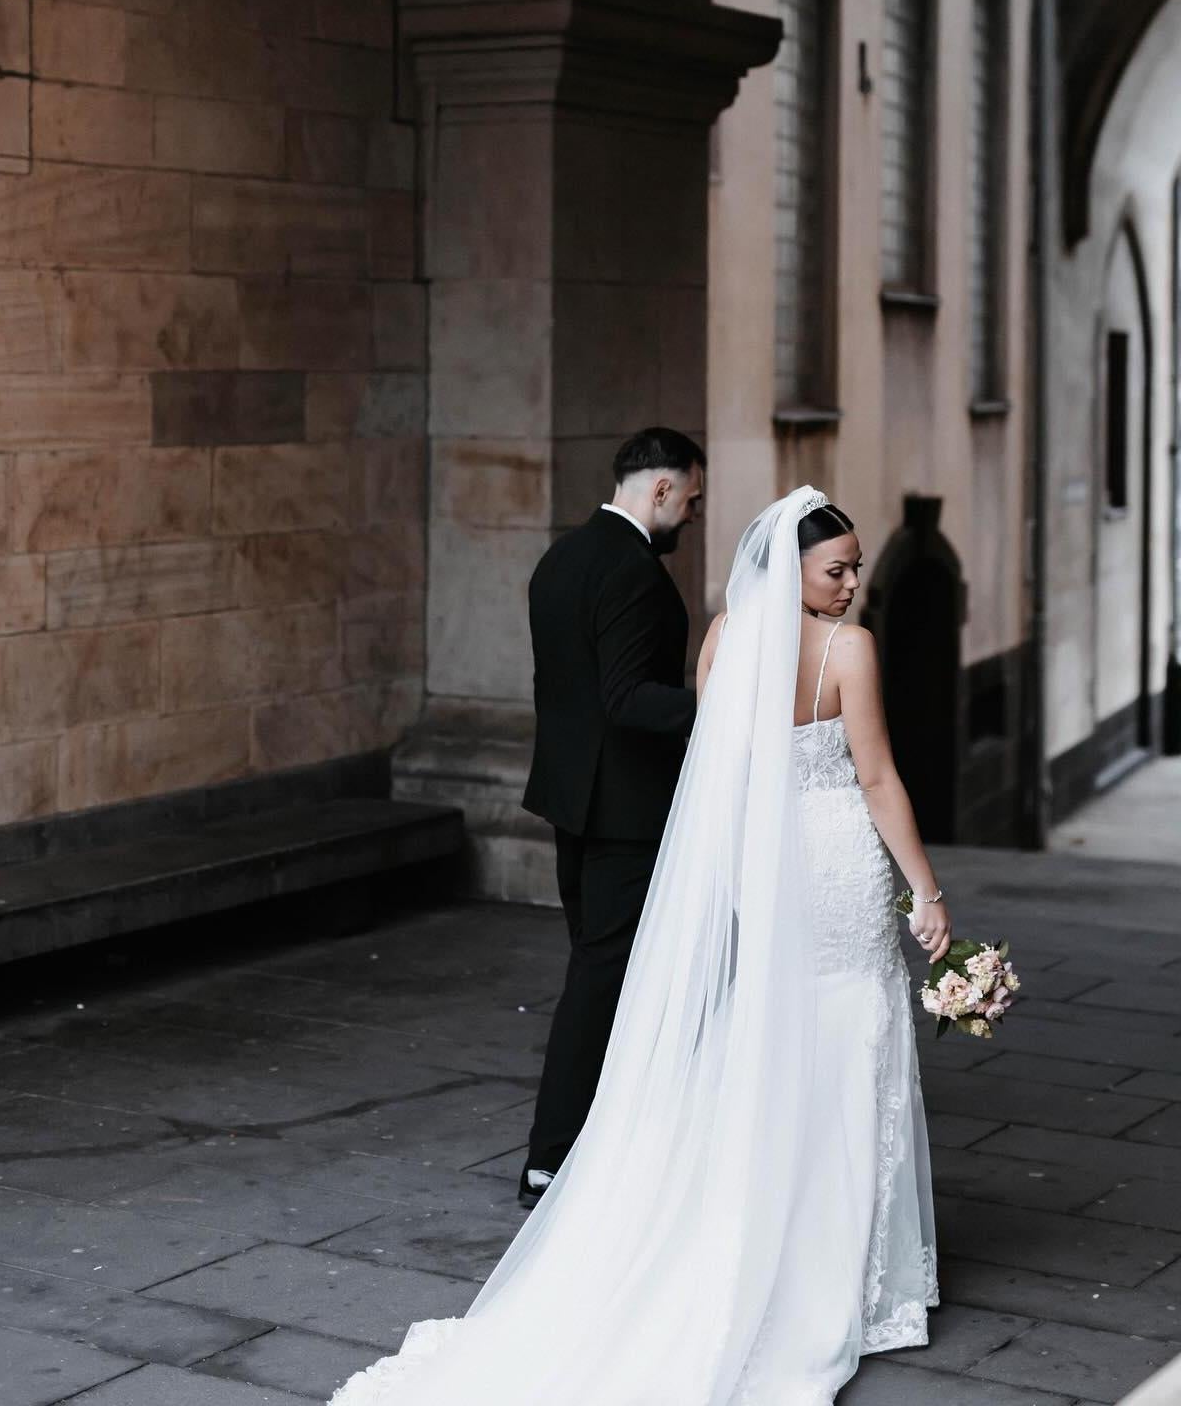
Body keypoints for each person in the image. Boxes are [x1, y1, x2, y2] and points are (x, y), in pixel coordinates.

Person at [330, 487, 945, 1406]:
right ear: (797, 570)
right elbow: (878, 774)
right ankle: (834, 1270)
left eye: (855, 567)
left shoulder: (727, 637)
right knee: (850, 1035)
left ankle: (759, 1233)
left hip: (760, 866)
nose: (853, 584)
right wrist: (926, 890)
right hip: (833, 859)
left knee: (774, 1037)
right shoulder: (847, 651)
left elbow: (719, 767)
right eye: (837, 568)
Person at [518, 426, 706, 1205]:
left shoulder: (561, 556)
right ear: (660, 489)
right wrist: (726, 705)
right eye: (690, 500)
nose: (692, 516)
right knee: (602, 979)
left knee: (605, 975)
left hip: (572, 800)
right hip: (625, 811)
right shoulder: (632, 573)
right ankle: (553, 1156)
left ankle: (605, 1136)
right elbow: (627, 699)